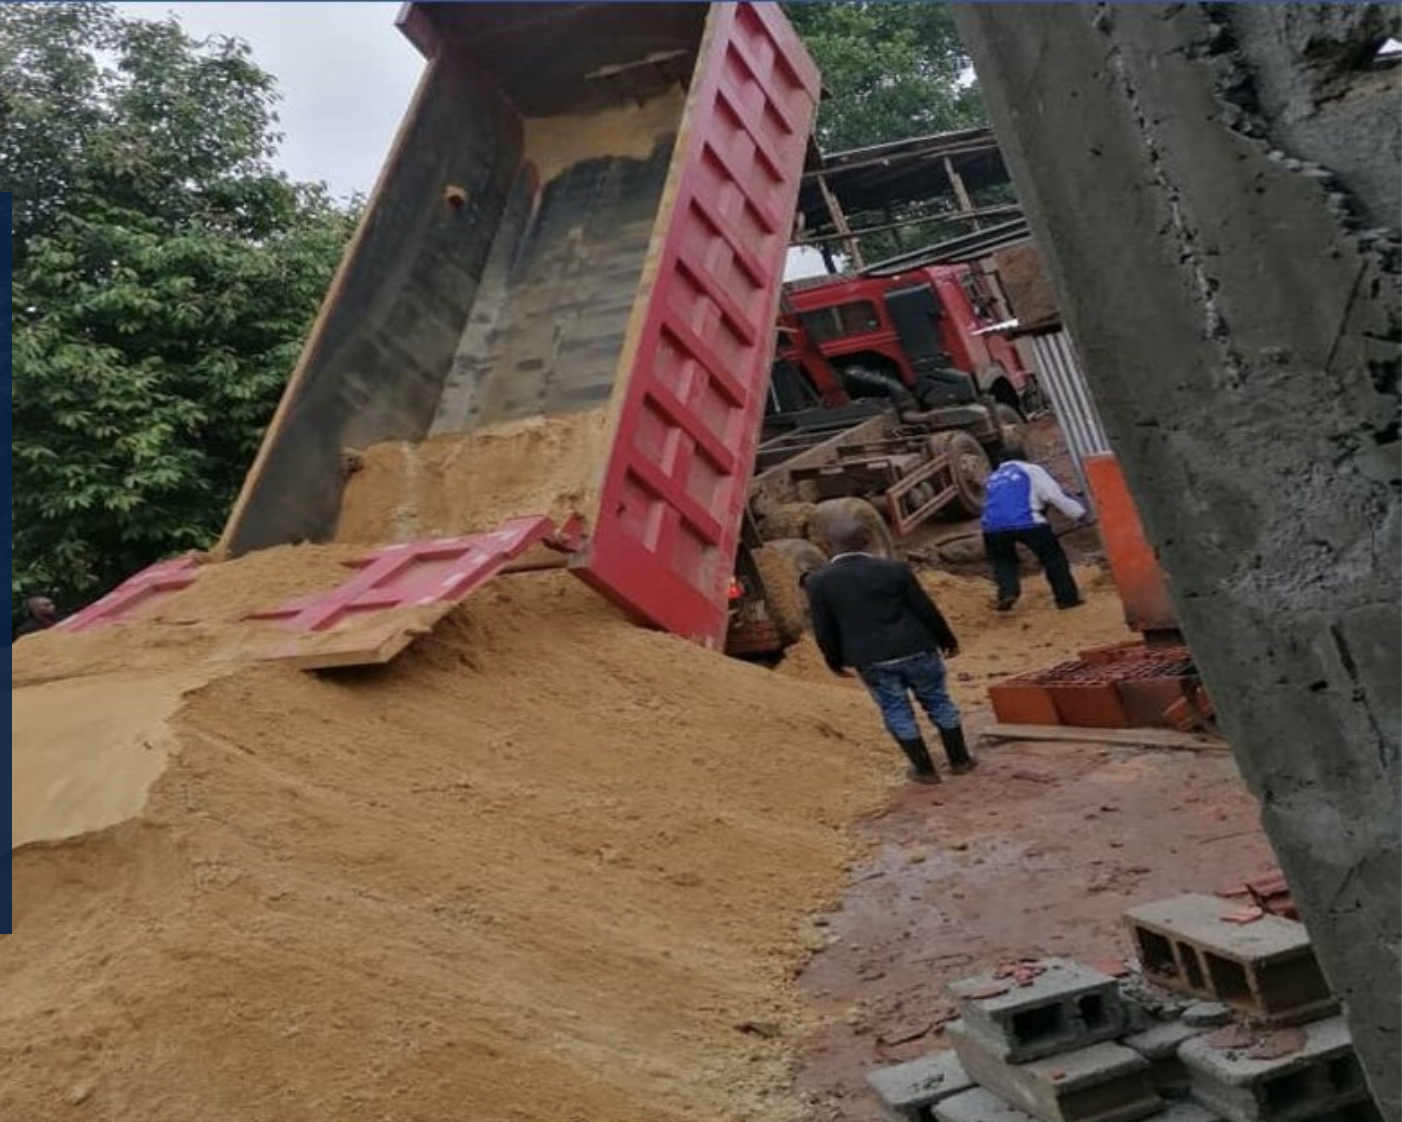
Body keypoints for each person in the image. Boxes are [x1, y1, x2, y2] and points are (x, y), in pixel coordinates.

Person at [803, 516, 974, 785]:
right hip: (916, 648)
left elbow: (824, 629)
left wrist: (833, 660)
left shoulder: (818, 582)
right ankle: (960, 761)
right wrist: (946, 639)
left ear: (827, 545)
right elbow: (924, 608)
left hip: (871, 659)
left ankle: (925, 771)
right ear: (867, 540)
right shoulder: (894, 569)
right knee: (939, 701)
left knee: (896, 711)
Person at [981, 459, 1089, 612]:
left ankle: (1007, 593)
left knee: (1003, 561)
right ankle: (1067, 599)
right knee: (1053, 558)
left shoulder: (993, 477)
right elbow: (1053, 495)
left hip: (991, 527)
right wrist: (1079, 513)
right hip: (1028, 522)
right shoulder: (1031, 469)